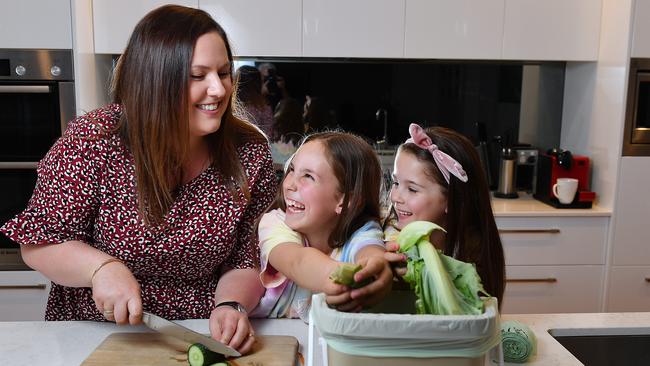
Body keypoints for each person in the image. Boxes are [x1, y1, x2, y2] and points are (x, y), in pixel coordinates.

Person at [0, 5, 276, 355]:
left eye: (223, 73)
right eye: (197, 75)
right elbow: (40, 243)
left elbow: (243, 260)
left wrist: (231, 306)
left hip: (198, 335)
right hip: (94, 335)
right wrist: (101, 268)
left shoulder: (249, 153)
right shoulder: (94, 140)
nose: (219, 90)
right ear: (155, 79)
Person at [251, 132, 393, 320]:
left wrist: (377, 268)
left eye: (308, 176)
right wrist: (343, 279)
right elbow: (297, 261)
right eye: (292, 170)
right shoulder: (275, 223)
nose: (290, 184)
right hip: (271, 339)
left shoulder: (363, 229)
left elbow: (370, 252)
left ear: (345, 200)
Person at [383, 124, 506, 306]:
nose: (394, 196)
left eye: (412, 189)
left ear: (451, 200)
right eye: (395, 182)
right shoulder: (383, 236)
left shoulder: (473, 254)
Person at [234, 65, 275, 137]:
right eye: (262, 81)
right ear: (257, 84)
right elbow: (269, 134)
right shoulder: (262, 107)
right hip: (255, 146)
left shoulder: (229, 104)